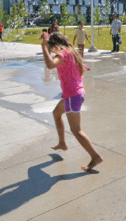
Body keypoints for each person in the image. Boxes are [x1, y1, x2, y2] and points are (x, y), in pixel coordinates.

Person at [42, 33, 103, 172]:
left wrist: (43, 47)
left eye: (52, 48)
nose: (52, 51)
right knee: (56, 113)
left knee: (76, 130)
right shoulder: (72, 52)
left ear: (56, 44)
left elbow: (50, 64)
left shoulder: (63, 54)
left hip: (72, 96)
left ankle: (95, 156)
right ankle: (62, 143)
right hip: (76, 94)